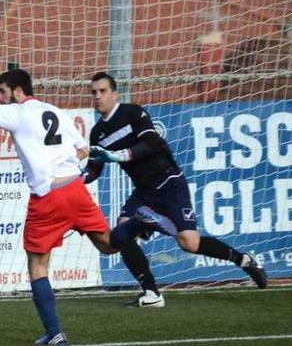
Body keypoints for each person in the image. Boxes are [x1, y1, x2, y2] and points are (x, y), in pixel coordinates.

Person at [0, 68, 118, 346]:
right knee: (108, 244)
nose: (0, 98)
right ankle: (142, 224)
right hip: (76, 190)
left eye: (3, 92)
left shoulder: (18, 111)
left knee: (37, 265)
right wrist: (61, 159)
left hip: (48, 196)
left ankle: (55, 333)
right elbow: (83, 150)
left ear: (18, 91)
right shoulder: (56, 111)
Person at [85, 71, 267, 308]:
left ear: (114, 93)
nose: (97, 96)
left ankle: (243, 260)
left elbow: (152, 143)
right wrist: (74, 179)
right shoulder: (97, 133)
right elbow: (94, 169)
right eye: (93, 93)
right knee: (121, 234)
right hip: (144, 191)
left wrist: (119, 155)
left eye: (102, 91)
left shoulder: (133, 112)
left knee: (189, 243)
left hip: (169, 183)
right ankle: (151, 294)